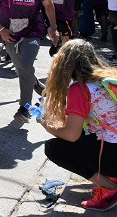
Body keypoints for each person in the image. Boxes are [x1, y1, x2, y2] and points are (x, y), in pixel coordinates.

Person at [39, 39, 117, 211]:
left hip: (114, 156)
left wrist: (46, 125)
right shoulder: (108, 78)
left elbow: (71, 135)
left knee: (54, 148)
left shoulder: (80, 89)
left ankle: (111, 188)